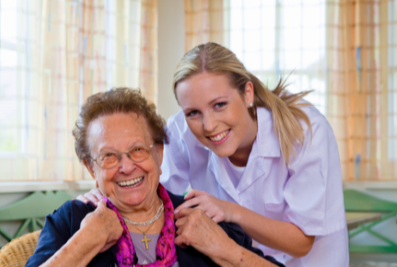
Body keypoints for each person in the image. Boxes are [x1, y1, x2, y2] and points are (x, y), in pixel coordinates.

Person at [78, 43, 349, 266]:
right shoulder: (180, 132)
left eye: (220, 105)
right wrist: (102, 195)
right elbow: (151, 194)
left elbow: (301, 242)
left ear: (247, 93)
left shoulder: (305, 130)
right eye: (193, 113)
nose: (208, 125)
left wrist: (229, 211)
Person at [26, 88, 283, 267]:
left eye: (137, 150)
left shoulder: (199, 216)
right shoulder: (72, 222)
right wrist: (86, 241)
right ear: (92, 169)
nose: (126, 167)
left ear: (159, 154)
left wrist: (223, 248)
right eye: (109, 156)